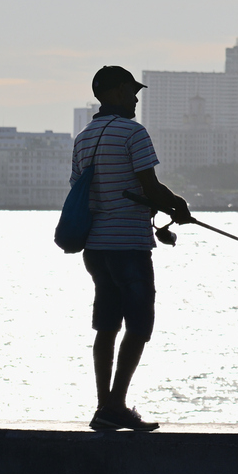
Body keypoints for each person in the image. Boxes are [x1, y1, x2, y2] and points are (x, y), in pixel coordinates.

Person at [71, 65, 191, 433]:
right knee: (139, 325)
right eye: (131, 90)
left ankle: (103, 406)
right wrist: (178, 206)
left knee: (106, 325)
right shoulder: (133, 133)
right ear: (116, 91)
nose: (136, 97)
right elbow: (150, 185)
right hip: (128, 245)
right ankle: (117, 405)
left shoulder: (84, 138)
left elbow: (81, 193)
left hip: (96, 249)